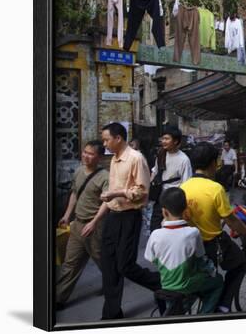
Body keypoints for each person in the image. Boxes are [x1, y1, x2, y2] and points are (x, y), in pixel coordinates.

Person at [181, 142, 246, 313]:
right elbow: (231, 220)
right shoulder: (215, 189)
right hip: (212, 243)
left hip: (190, 244)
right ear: (213, 163)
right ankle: (224, 306)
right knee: (240, 263)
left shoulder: (183, 187)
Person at [100, 122, 163, 320]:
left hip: (128, 217)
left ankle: (161, 283)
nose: (105, 144)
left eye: (106, 139)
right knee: (109, 266)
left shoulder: (136, 158)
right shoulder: (114, 159)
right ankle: (111, 313)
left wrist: (116, 193)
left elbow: (141, 191)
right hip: (113, 216)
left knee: (125, 265)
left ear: (118, 138)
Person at [144, 187, 223, 314]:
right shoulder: (192, 233)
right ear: (185, 209)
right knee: (218, 281)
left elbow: (151, 259)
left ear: (164, 212)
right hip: (187, 284)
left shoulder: (155, 234)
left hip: (165, 284)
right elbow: (201, 259)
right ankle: (204, 315)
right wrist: (212, 271)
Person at [56, 141, 109, 309]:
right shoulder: (79, 171)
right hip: (78, 225)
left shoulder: (105, 177)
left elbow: (106, 203)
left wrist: (94, 222)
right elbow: (74, 194)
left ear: (99, 157)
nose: (86, 156)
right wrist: (67, 215)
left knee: (103, 260)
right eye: (85, 152)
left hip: (95, 227)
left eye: (91, 153)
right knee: (70, 264)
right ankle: (59, 299)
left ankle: (111, 286)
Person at [149, 126, 192, 231]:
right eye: (162, 139)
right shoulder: (161, 154)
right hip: (160, 197)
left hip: (173, 199)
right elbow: (155, 172)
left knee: (172, 228)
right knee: (155, 227)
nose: (163, 141)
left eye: (167, 139)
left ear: (176, 141)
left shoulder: (184, 160)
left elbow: (186, 183)